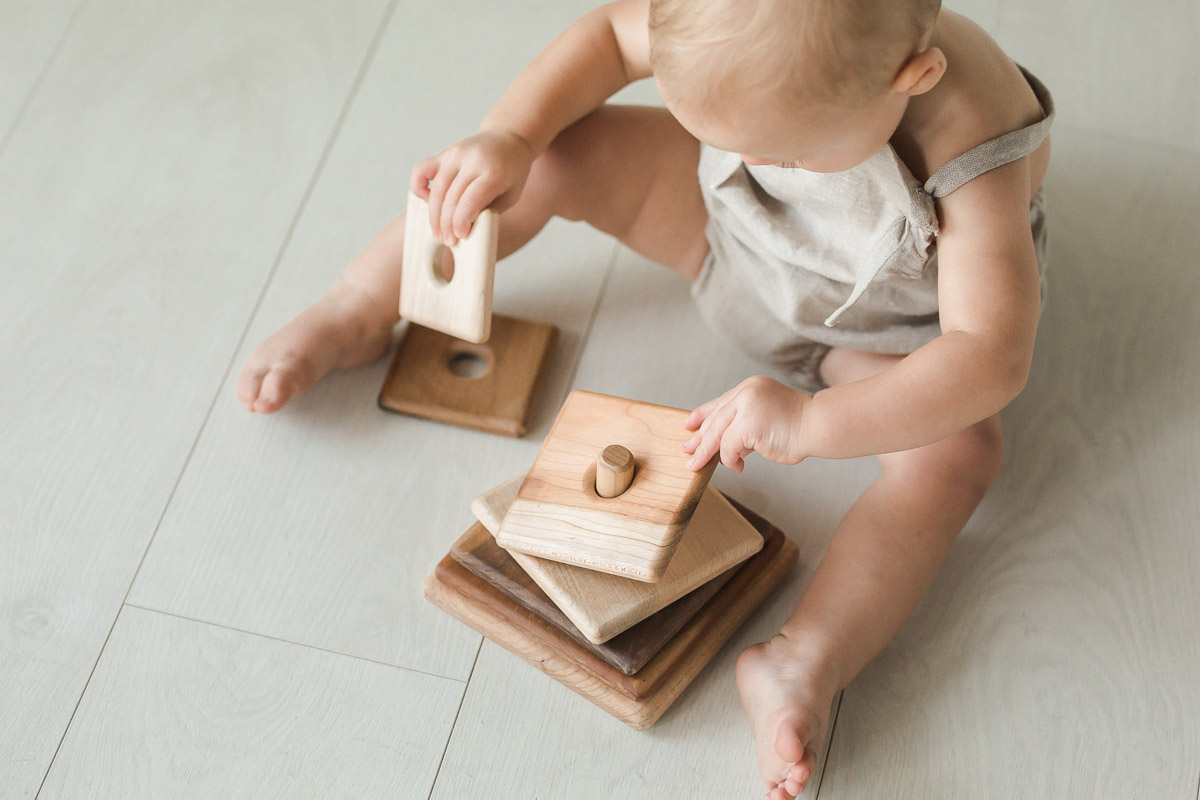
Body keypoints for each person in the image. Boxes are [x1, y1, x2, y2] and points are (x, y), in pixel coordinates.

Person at [236, 1, 1053, 796]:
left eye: (791, 158)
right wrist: (510, 136)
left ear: (913, 76)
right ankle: (358, 306)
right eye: (724, 137)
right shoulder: (711, 19)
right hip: (721, 238)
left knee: (960, 455)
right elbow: (603, 36)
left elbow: (989, 356)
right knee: (556, 158)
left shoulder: (971, 134)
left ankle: (804, 660)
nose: (765, 167)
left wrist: (812, 420)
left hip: (872, 340)